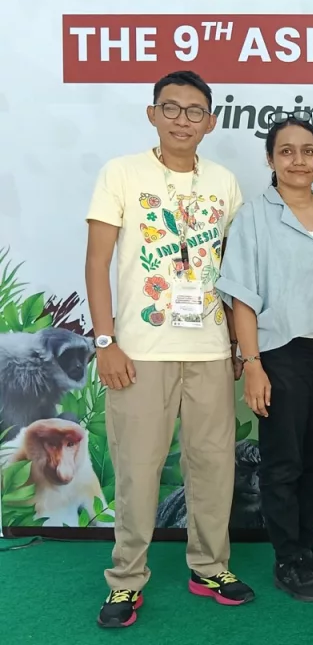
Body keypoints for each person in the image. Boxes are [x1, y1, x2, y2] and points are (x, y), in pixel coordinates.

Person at [84, 70, 254, 628]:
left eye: (194, 111)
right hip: (140, 351)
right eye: (172, 108)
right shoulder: (122, 173)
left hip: (208, 350)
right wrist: (106, 340)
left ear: (211, 121)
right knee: (137, 469)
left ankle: (209, 566)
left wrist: (235, 341)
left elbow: (233, 274)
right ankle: (126, 580)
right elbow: (97, 263)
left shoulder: (225, 182)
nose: (183, 119)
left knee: (212, 467)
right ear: (152, 114)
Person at [216, 112, 313, 602]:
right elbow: (242, 298)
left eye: (309, 150)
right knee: (283, 462)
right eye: (287, 151)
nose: (299, 160)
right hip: (282, 354)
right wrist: (251, 363)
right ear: (271, 159)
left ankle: (306, 544)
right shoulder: (254, 216)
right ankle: (287, 559)